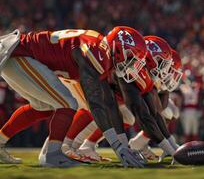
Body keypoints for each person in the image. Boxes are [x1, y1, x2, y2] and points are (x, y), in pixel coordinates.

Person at [0, 27, 147, 167]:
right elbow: (95, 103)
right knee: (68, 103)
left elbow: (109, 102)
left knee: (43, 107)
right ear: (120, 48)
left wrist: (123, 145)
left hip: (19, 54)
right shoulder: (96, 52)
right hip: (19, 54)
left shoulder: (101, 52)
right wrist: (117, 146)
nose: (132, 65)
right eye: (132, 58)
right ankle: (52, 155)